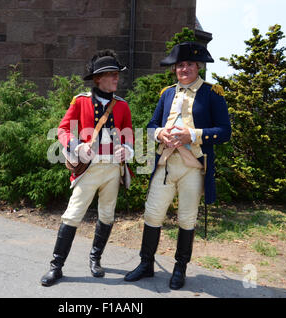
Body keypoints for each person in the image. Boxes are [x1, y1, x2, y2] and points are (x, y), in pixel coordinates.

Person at [124, 41, 231, 290]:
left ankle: (180, 268)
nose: (184, 69)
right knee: (152, 213)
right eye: (180, 65)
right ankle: (146, 264)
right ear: (175, 69)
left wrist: (192, 135)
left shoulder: (212, 93)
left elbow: (225, 132)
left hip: (193, 167)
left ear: (199, 66)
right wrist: (160, 134)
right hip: (165, 163)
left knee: (186, 218)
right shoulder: (167, 94)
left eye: (190, 65)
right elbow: (151, 126)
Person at [41, 49, 134, 287]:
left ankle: (95, 259)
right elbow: (62, 129)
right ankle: (56, 266)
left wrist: (128, 150)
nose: (116, 78)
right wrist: (77, 146)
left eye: (117, 74)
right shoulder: (81, 101)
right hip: (89, 170)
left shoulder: (122, 106)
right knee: (72, 215)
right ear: (98, 79)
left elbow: (129, 135)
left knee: (106, 215)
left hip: (113, 170)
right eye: (111, 74)